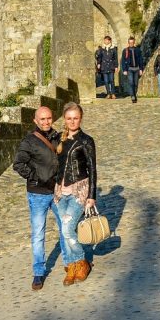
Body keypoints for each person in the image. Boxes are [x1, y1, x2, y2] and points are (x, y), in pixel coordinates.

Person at [12, 106, 62, 290]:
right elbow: (18, 164)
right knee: (38, 234)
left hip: (57, 191)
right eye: (42, 119)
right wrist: (36, 177)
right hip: (37, 193)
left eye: (49, 118)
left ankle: (70, 262)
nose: (46, 122)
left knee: (65, 227)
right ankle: (38, 272)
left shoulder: (57, 137)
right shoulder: (29, 141)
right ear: (35, 121)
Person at [54, 101, 97, 285]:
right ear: (64, 119)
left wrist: (91, 197)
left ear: (81, 119)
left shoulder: (86, 140)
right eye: (69, 118)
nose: (72, 122)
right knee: (65, 232)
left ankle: (81, 262)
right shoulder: (59, 138)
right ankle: (72, 267)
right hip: (60, 193)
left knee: (67, 229)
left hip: (79, 191)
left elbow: (93, 169)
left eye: (76, 118)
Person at [95, 35, 118, 99]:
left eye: (106, 40)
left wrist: (116, 66)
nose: (105, 41)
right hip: (104, 66)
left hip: (111, 66)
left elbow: (115, 58)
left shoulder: (113, 49)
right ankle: (108, 93)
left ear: (109, 41)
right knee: (106, 81)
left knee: (111, 80)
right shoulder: (102, 49)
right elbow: (99, 57)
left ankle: (113, 94)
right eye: (104, 40)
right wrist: (99, 63)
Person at [120, 36, 143, 103]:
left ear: (134, 42)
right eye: (130, 42)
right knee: (131, 83)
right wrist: (124, 70)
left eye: (132, 42)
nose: (131, 44)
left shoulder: (138, 50)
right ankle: (132, 96)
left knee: (135, 83)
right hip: (129, 69)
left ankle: (134, 94)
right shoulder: (125, 50)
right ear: (128, 43)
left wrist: (141, 69)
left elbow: (140, 60)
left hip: (136, 69)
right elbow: (123, 61)